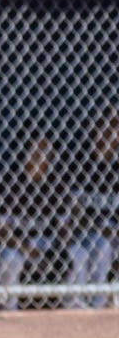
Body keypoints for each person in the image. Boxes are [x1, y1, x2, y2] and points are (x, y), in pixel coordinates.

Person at [0, 132, 68, 310]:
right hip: (15, 244)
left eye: (45, 154)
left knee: (78, 252)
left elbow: (65, 228)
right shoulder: (9, 184)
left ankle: (76, 306)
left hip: (45, 243)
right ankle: (9, 308)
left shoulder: (55, 185)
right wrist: (24, 249)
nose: (40, 159)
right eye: (35, 152)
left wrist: (59, 248)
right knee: (10, 258)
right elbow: (0, 231)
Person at [63, 104, 119, 309]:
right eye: (105, 128)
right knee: (101, 244)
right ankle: (93, 303)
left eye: (115, 130)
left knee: (106, 242)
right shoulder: (80, 165)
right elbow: (72, 211)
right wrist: (98, 227)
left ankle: (107, 302)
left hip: (113, 232)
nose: (109, 135)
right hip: (85, 233)